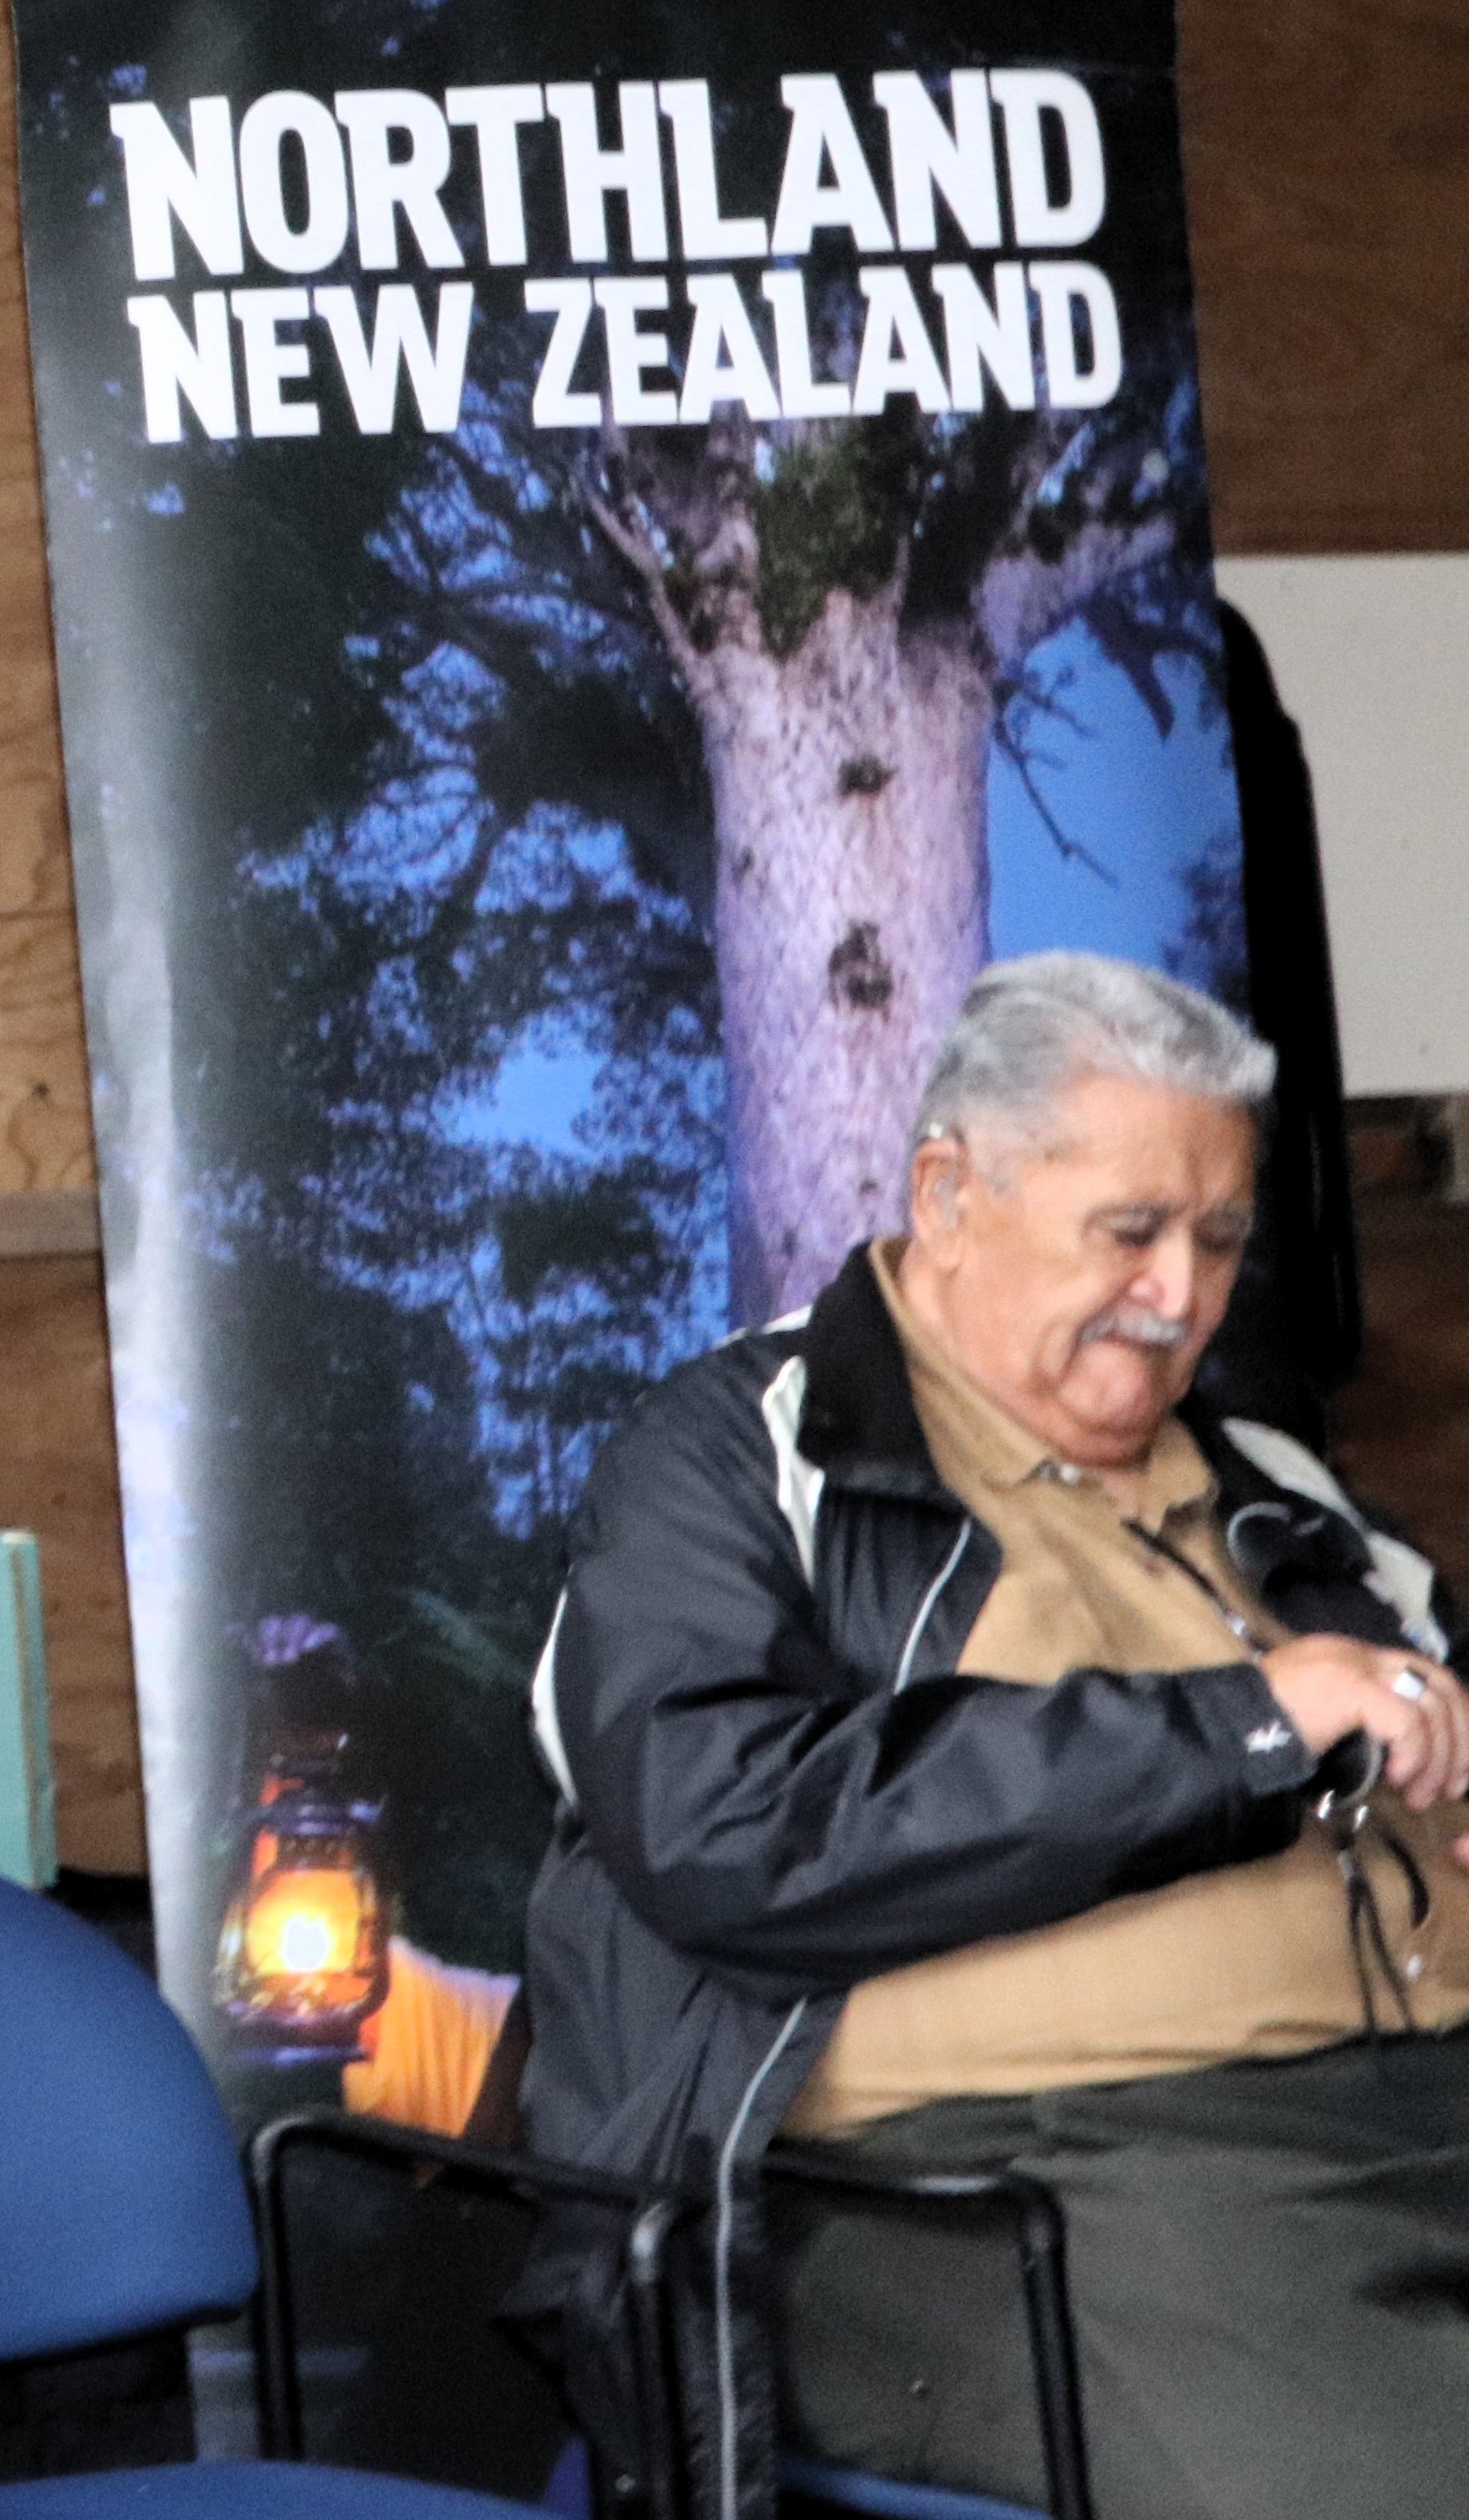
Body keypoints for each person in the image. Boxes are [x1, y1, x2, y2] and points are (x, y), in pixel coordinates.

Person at [516, 951, 1463, 2520]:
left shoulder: (1263, 1464)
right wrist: (1242, 1728)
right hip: (998, 2184)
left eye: (1219, 1239)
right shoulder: (738, 1458)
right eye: (1130, 1232)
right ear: (948, 1194)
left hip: (1409, 2115)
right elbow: (723, 1831)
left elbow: (1432, 1674)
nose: (1181, 1298)